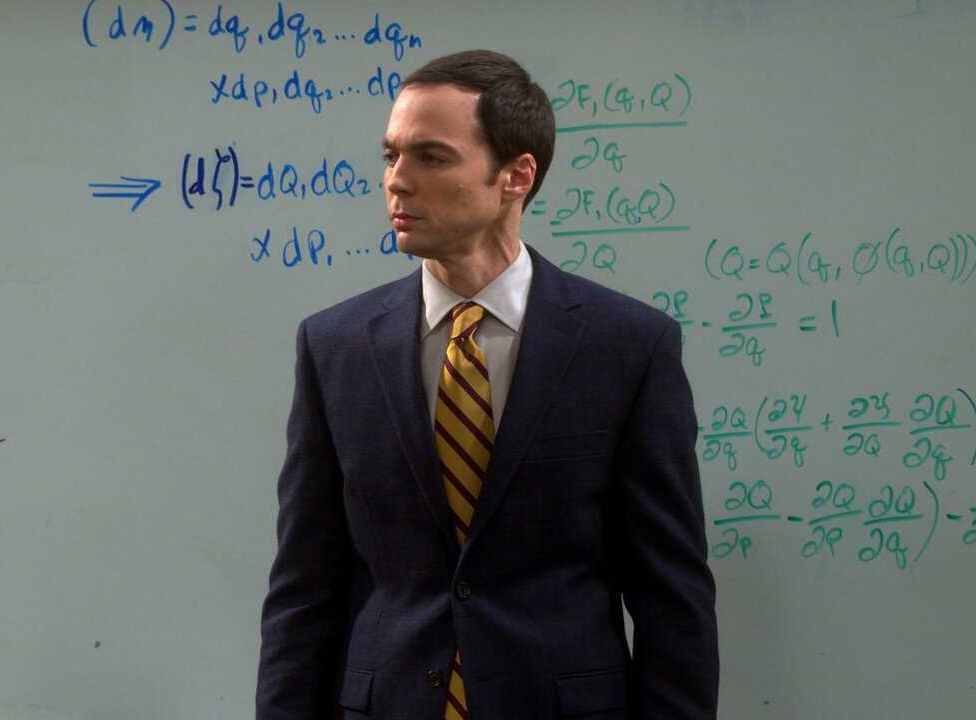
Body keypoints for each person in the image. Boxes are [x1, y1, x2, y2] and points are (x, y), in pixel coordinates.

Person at [257, 49, 718, 720]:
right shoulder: (335, 347)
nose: (397, 182)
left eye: (431, 157)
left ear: (516, 176)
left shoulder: (628, 346)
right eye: (391, 156)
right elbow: (304, 589)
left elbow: (671, 596)